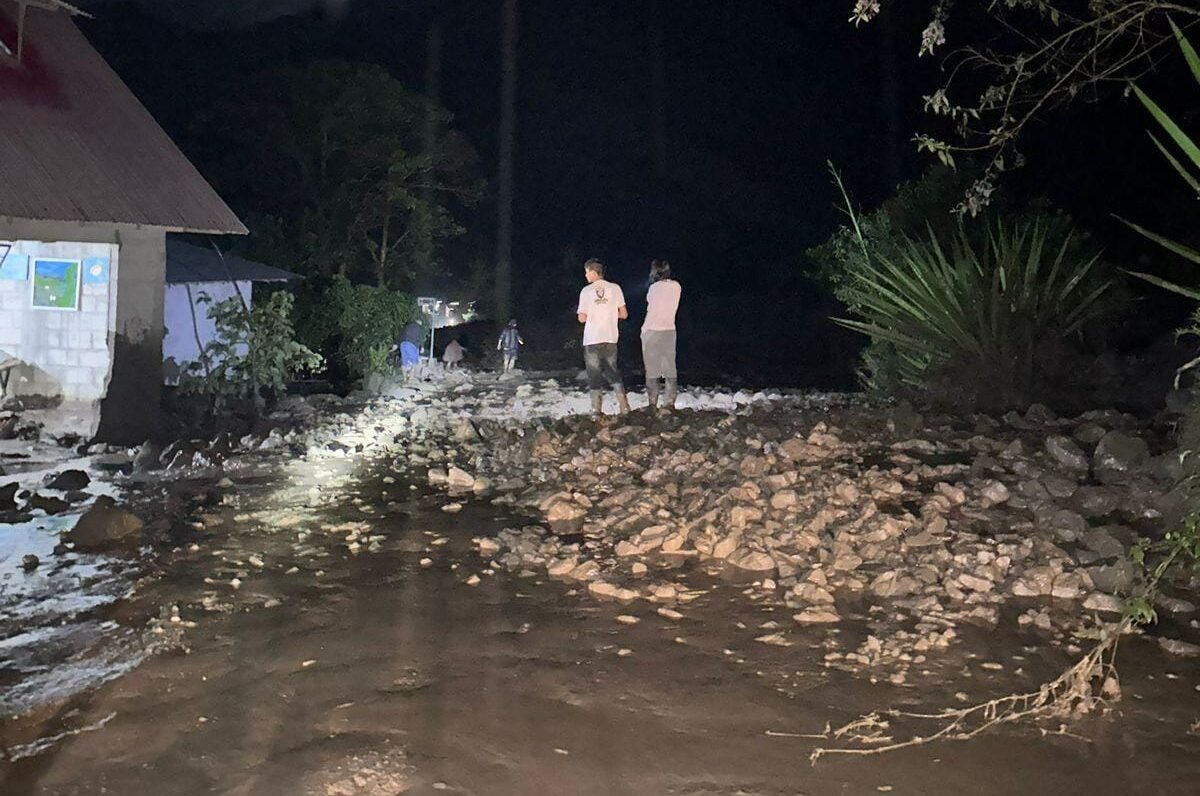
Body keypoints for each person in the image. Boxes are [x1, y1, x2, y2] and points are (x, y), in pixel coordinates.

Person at [577, 257, 630, 416]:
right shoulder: (616, 288)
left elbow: (581, 318)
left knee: (594, 374)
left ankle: (596, 410)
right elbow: (624, 314)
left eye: (586, 272)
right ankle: (624, 405)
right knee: (612, 370)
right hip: (610, 337)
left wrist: (594, 313)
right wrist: (609, 314)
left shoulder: (586, 291)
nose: (586, 276)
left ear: (593, 272)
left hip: (592, 339)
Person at [642, 259, 682, 410]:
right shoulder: (677, 286)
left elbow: (650, 303)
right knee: (670, 367)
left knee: (652, 369)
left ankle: (652, 403)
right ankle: (670, 403)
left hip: (651, 331)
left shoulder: (653, 288)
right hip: (669, 330)